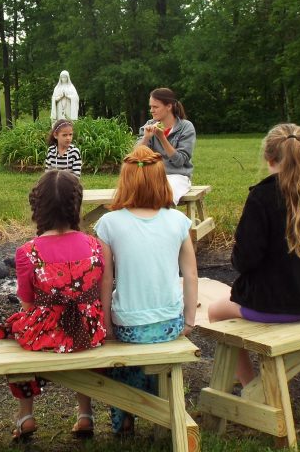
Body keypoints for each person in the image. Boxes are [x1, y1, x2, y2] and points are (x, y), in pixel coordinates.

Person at [204, 124, 300, 386]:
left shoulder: (261, 197)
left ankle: (250, 386)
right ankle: (248, 383)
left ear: (269, 157)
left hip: (271, 305)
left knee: (215, 311)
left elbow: (245, 260)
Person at [95, 145, 198, 436]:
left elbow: (106, 279)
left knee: (125, 361)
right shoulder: (178, 221)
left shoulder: (108, 223)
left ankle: (125, 416)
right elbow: (190, 273)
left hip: (127, 325)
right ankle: (160, 414)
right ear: (161, 180)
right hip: (169, 323)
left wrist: (106, 322)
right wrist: (188, 320)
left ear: (124, 181)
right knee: (156, 357)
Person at [0, 170, 105, 441]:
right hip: (89, 331)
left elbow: (27, 302)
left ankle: (26, 414)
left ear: (38, 207)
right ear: (76, 205)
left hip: (46, 334)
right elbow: (100, 294)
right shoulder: (95, 246)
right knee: (77, 328)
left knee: (13, 331)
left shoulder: (27, 252)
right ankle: (85, 412)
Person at [137, 87, 195, 205]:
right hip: (151, 176)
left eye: (155, 107)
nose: (151, 110)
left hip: (177, 176)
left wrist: (162, 138)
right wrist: (146, 138)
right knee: (131, 196)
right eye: (150, 107)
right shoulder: (149, 125)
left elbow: (179, 161)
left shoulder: (186, 127)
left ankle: (164, 222)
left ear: (169, 106)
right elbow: (135, 156)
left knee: (162, 196)